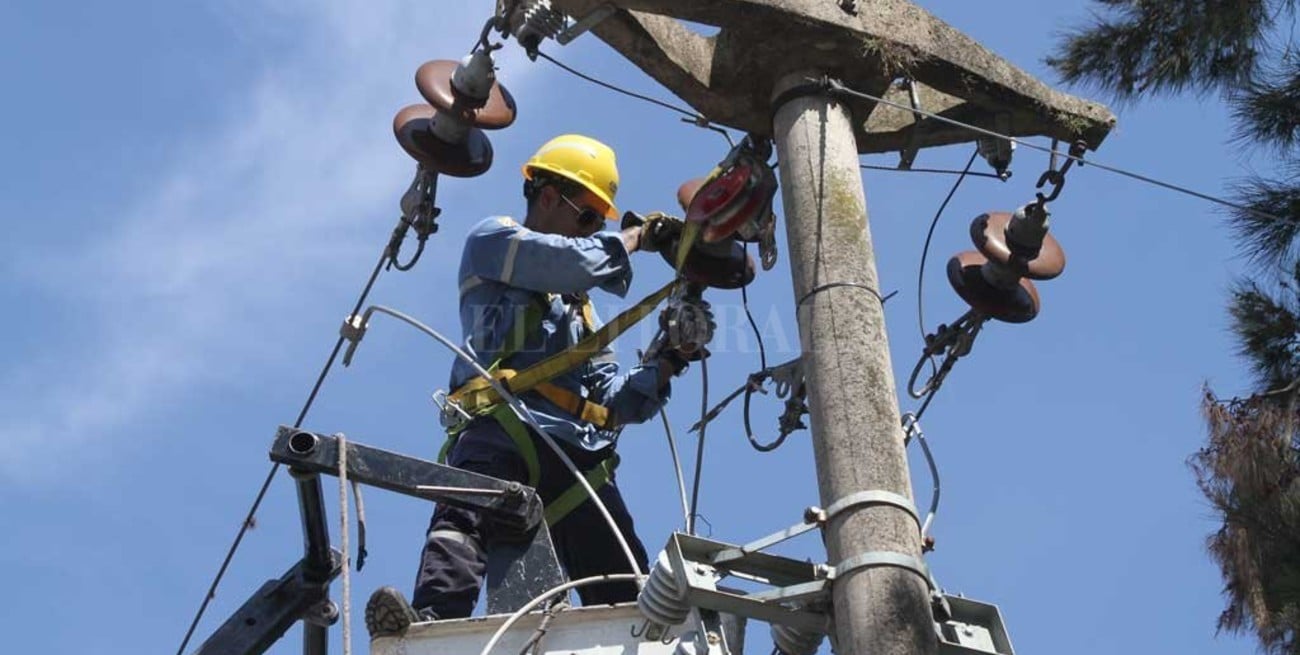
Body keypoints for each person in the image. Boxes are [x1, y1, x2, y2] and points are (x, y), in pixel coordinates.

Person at [366, 134, 704, 636]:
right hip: (502, 426)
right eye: (588, 217)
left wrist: (671, 357)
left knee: (624, 582)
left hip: (571, 452)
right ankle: (432, 627)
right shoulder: (493, 242)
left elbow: (611, 401)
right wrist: (635, 238)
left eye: (597, 225)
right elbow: (576, 262)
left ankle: (642, 640)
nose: (593, 231)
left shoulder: (578, 313)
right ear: (548, 197)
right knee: (466, 516)